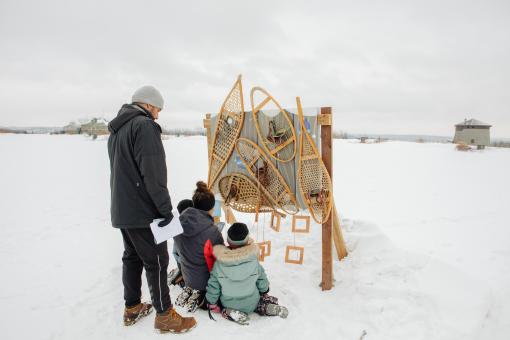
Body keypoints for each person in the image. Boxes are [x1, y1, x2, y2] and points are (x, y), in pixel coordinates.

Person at [107, 85, 196, 333]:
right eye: (157, 109)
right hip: (143, 210)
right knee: (157, 260)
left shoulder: (118, 129)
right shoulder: (144, 126)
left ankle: (132, 307)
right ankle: (165, 315)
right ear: (147, 105)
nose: (157, 115)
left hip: (123, 208)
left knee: (132, 257)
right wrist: (166, 211)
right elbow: (153, 174)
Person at [205, 223, 289, 325]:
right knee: (259, 302)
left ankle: (230, 312)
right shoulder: (253, 260)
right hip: (252, 300)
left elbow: (213, 286)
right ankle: (265, 307)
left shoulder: (219, 264)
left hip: (229, 302)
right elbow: (262, 279)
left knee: (222, 309)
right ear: (246, 240)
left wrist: (212, 303)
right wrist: (264, 290)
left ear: (228, 240)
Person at [173, 181, 225, 312]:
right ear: (212, 208)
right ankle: (202, 296)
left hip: (187, 275)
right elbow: (222, 257)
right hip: (204, 281)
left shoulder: (177, 224)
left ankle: (191, 290)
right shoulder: (212, 231)